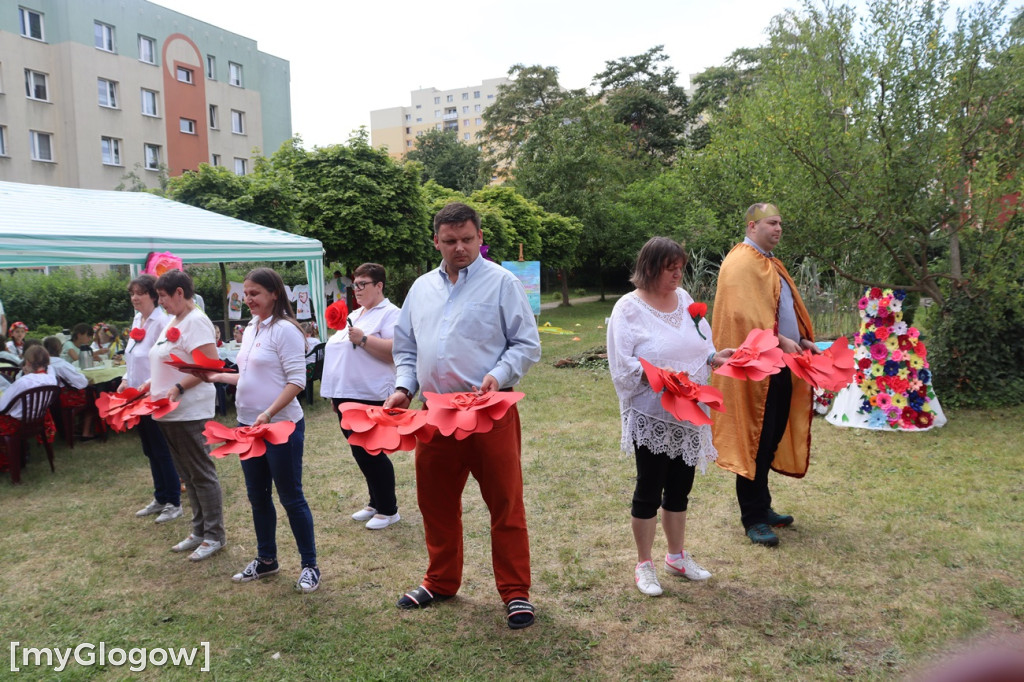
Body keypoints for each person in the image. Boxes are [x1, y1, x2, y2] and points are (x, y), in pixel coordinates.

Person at [384, 202, 541, 629]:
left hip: (490, 413)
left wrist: (497, 374)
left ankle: (515, 593)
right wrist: (403, 387)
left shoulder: (503, 283)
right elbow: (406, 348)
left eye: (467, 240)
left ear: (479, 236)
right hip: (433, 414)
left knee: (505, 504)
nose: (459, 248)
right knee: (435, 503)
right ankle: (440, 581)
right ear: (435, 240)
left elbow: (526, 344)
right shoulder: (420, 289)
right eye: (450, 241)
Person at [608, 237, 734, 596]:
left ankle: (676, 556)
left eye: (681, 267)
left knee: (681, 487)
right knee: (649, 488)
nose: (678, 274)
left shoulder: (685, 301)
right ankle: (644, 564)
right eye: (670, 267)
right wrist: (661, 376)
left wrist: (714, 358)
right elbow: (622, 366)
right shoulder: (628, 309)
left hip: (690, 410)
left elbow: (701, 344)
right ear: (649, 268)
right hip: (653, 414)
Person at [200, 268, 320, 593]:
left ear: (274, 294)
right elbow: (249, 376)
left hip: (280, 426)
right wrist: (217, 377)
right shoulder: (252, 327)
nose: (248, 299)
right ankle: (267, 560)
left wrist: (269, 412)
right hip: (248, 427)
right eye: (247, 293)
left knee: (291, 496)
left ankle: (310, 566)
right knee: (257, 496)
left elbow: (297, 381)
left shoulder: (286, 330)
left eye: (255, 293)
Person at [710, 203, 817, 547]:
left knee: (769, 438)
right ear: (752, 225)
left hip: (782, 364)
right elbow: (742, 319)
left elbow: (781, 310)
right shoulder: (740, 262)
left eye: (781, 223)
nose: (779, 228)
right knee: (755, 440)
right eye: (772, 223)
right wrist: (781, 339)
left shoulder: (772, 264)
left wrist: (800, 339)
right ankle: (753, 518)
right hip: (755, 369)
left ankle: (764, 507)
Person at [143, 269, 225, 562]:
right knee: (188, 476)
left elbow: (209, 366)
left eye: (163, 296)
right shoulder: (173, 321)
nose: (161, 302)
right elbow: (168, 360)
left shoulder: (196, 321)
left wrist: (177, 387)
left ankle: (214, 534)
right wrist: (150, 385)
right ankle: (199, 530)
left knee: (201, 473)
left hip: (189, 410)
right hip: (167, 411)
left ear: (180, 292)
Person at [320, 263, 402, 530]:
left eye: (362, 284)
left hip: (371, 393)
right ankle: (375, 501)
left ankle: (389, 509)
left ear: (379, 286)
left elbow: (395, 351)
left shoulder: (391, 314)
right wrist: (334, 394)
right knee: (359, 451)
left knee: (372, 452)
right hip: (347, 393)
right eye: (355, 285)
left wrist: (364, 339)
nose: (356, 290)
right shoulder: (357, 313)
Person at [119, 275, 182, 524]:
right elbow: (133, 356)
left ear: (153, 296)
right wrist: (126, 379)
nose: (135, 297)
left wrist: (150, 386)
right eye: (132, 293)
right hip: (136, 395)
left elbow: (165, 359)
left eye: (140, 293)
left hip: (154, 395)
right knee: (149, 449)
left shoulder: (161, 322)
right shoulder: (138, 319)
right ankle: (160, 496)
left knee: (161, 448)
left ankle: (174, 502)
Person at [0, 345, 58, 470]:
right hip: (37, 421)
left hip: (16, 424)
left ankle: (7, 462)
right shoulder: (51, 378)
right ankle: (21, 455)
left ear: (27, 362)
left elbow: (3, 407)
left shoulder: (24, 381)